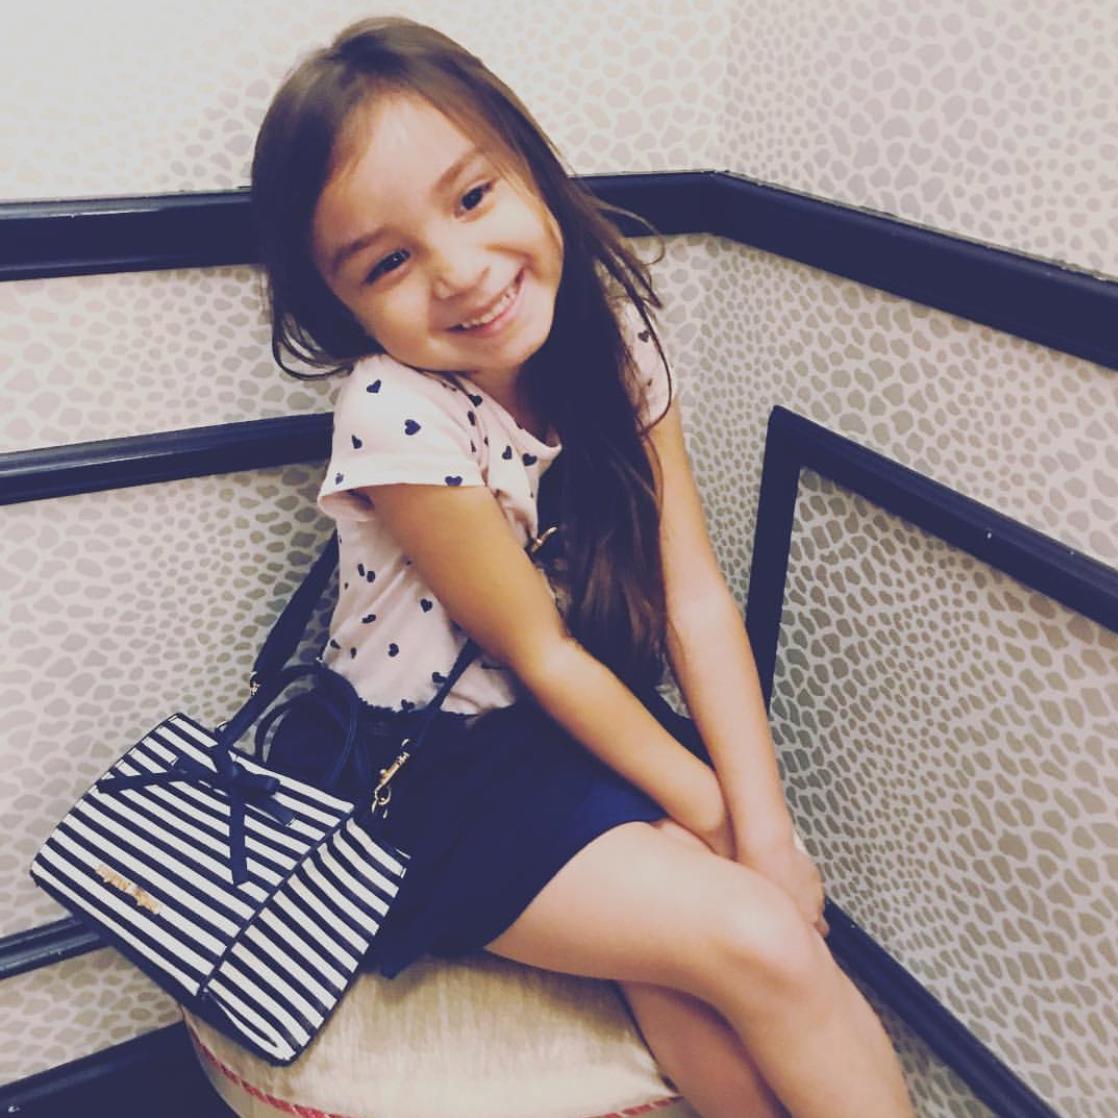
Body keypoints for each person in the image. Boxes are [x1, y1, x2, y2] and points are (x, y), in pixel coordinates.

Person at [250, 16, 915, 1118]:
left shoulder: (611, 336)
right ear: (343, 303)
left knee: (710, 961)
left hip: (580, 721)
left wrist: (768, 829)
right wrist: (719, 824)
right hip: (431, 770)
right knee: (759, 937)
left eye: (472, 197)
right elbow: (541, 654)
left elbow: (693, 596)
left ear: (530, 165)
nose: (462, 271)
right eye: (389, 261)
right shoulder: (391, 406)